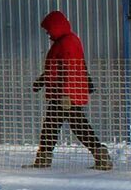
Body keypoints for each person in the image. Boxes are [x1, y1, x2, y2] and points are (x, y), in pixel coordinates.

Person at [31, 10, 112, 170]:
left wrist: (66, 94)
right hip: (63, 93)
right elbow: (58, 68)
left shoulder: (67, 43)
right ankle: (101, 157)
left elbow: (71, 69)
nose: (47, 33)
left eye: (48, 30)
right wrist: (42, 81)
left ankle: (102, 157)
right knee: (57, 126)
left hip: (66, 95)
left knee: (75, 126)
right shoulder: (65, 42)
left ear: (56, 27)